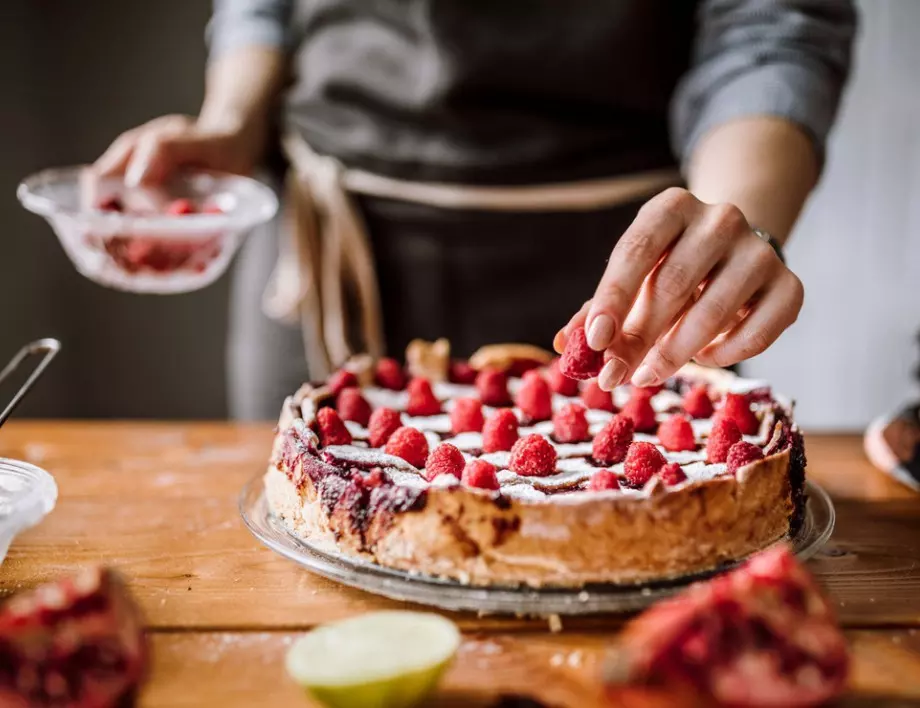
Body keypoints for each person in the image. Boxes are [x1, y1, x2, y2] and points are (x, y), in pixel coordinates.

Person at [94, 1, 856, 420]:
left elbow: (772, 21)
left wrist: (734, 214)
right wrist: (230, 120)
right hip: (331, 250)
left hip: (628, 270)